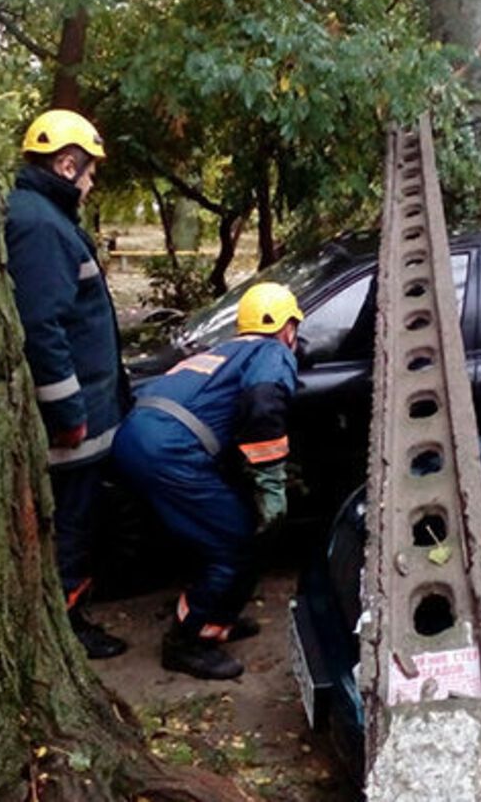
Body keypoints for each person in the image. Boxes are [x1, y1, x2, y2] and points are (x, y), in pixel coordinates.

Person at [113, 282, 302, 680]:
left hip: (137, 438)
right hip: (170, 453)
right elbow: (264, 405)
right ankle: (186, 643)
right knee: (232, 543)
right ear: (288, 328)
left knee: (229, 529)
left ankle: (218, 620)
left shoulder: (221, 352)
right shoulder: (272, 353)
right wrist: (270, 482)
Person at [5, 108, 130, 660]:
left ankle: (69, 616)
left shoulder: (45, 217)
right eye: (89, 170)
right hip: (74, 430)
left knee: (79, 524)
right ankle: (66, 632)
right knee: (71, 529)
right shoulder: (39, 225)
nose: (91, 181)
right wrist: (68, 414)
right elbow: (41, 328)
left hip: (89, 413)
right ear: (65, 163)